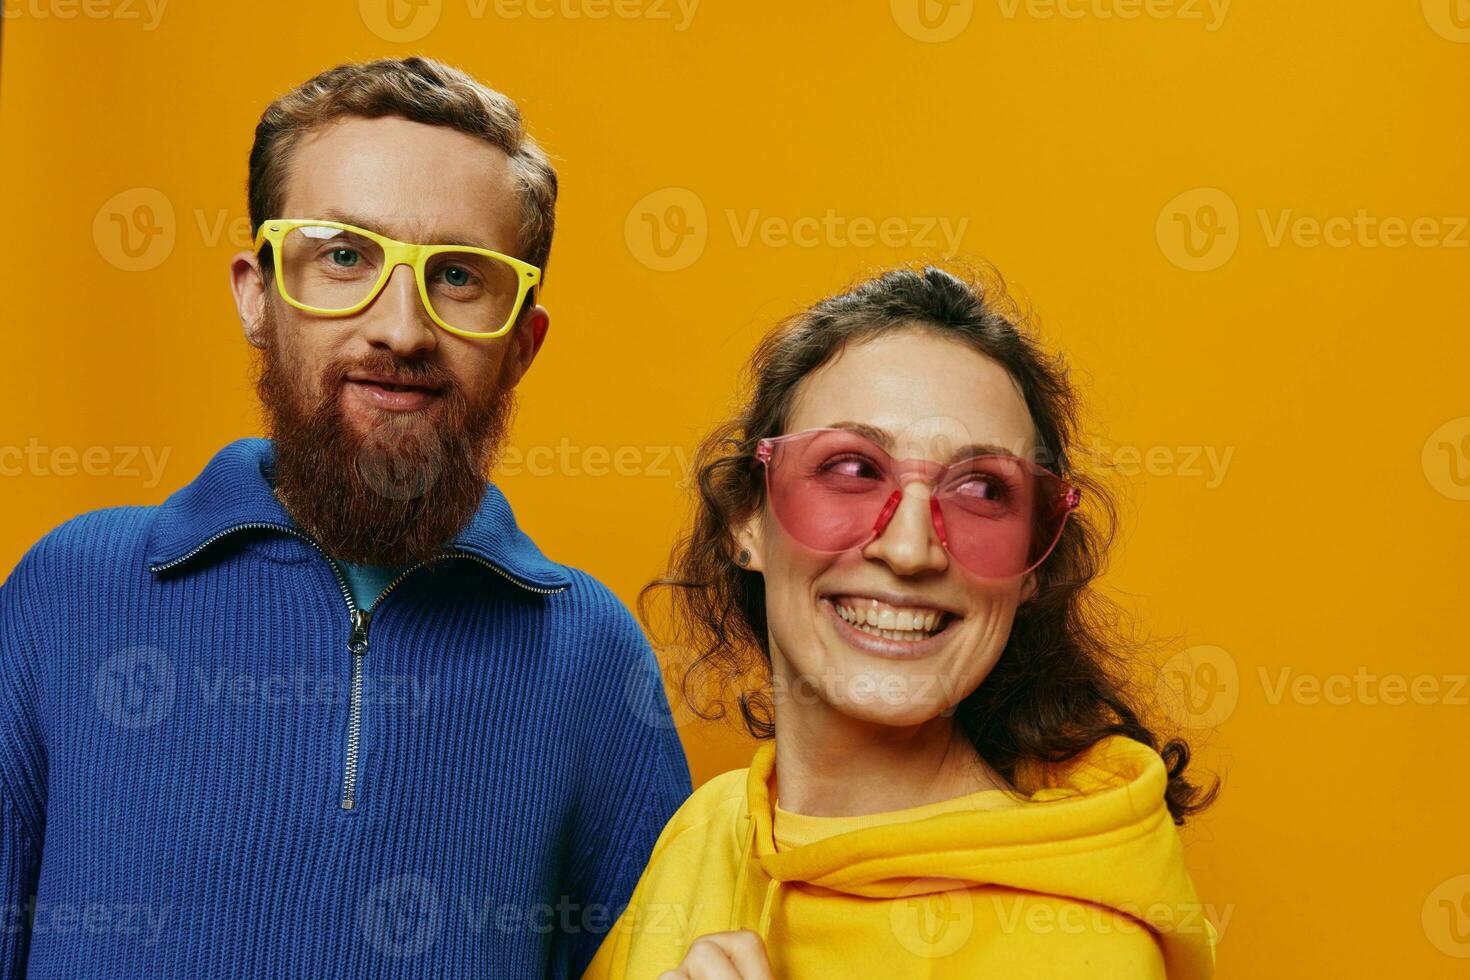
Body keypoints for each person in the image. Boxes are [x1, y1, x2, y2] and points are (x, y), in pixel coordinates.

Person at [0, 57, 689, 978]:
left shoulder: (592, 659)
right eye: (345, 257)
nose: (401, 327)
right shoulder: (67, 591)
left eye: (457, 276)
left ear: (522, 345)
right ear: (257, 295)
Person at [584, 266, 1220, 979]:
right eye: (852, 470)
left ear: (1032, 567)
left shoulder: (1087, 953)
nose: (912, 548)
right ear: (748, 519)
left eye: (982, 490)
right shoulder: (704, 835)